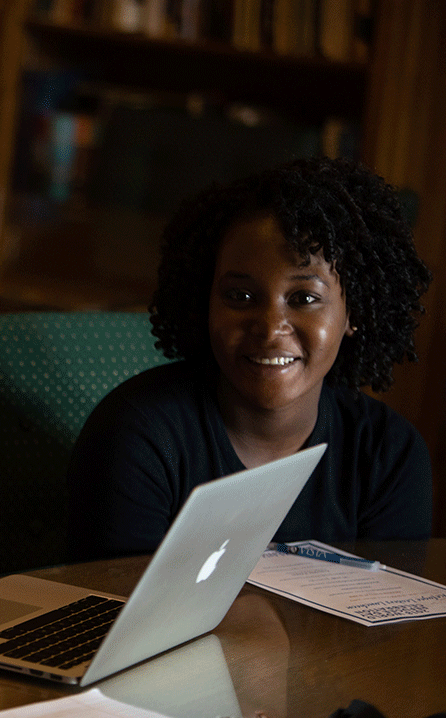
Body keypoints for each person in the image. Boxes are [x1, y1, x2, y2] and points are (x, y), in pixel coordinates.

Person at [67, 156, 432, 560]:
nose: (270, 326)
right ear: (204, 301)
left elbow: (389, 617)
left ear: (355, 312)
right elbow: (114, 609)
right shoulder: (139, 437)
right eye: (240, 297)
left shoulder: (387, 455)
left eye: (304, 298)